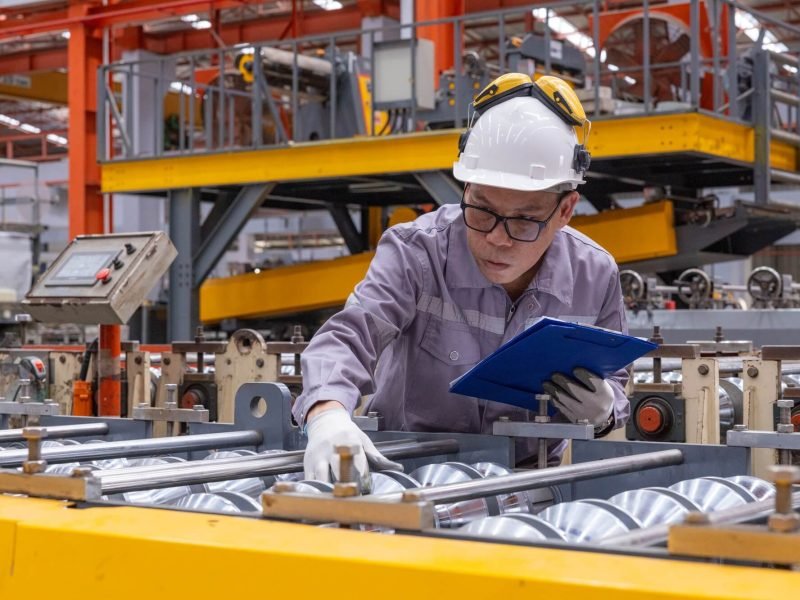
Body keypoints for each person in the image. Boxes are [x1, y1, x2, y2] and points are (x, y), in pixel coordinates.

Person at [294, 73, 628, 490]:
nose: (496, 237)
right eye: (482, 210)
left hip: (529, 488)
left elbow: (614, 382)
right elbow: (347, 336)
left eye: (524, 219)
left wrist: (605, 410)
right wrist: (326, 414)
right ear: (466, 187)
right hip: (407, 479)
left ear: (565, 210)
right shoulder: (416, 252)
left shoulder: (594, 275)